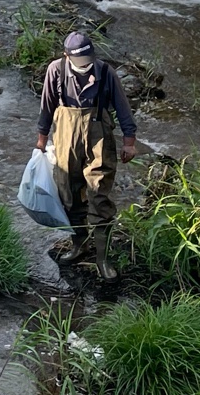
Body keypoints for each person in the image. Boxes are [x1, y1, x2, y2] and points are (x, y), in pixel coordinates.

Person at [35, 31, 139, 279]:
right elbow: (47, 105)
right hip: (64, 139)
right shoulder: (56, 70)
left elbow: (123, 109)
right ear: (66, 56)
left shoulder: (105, 72)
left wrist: (129, 142)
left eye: (88, 60)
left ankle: (102, 260)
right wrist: (40, 140)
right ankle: (79, 245)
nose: (85, 66)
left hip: (99, 138)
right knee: (68, 193)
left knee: (99, 194)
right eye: (80, 61)